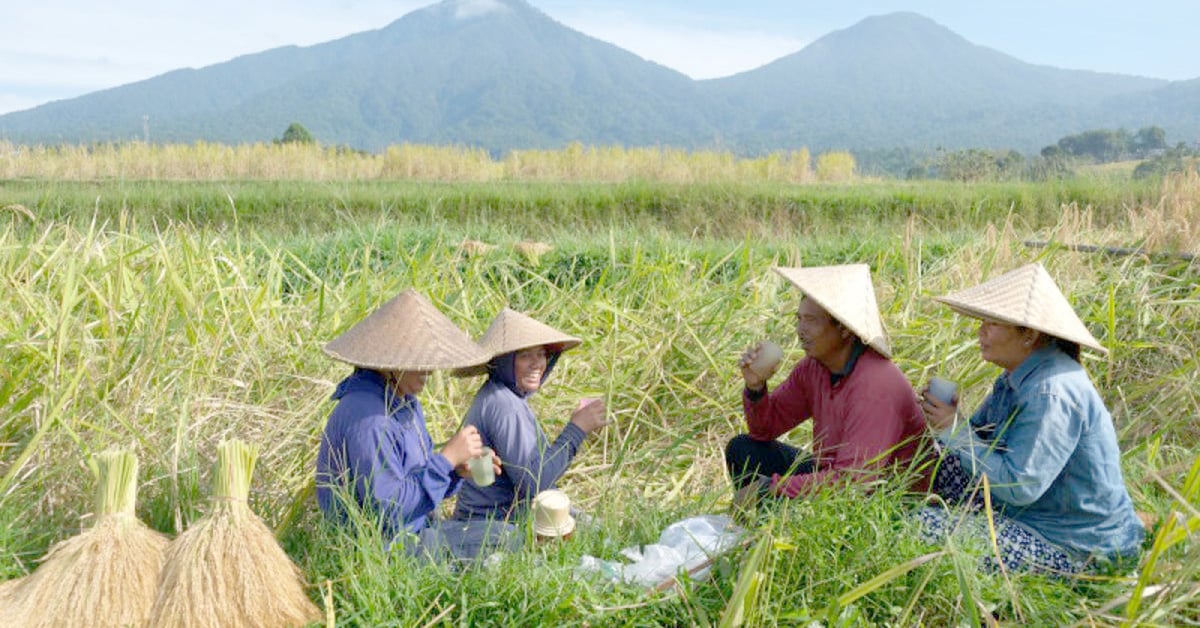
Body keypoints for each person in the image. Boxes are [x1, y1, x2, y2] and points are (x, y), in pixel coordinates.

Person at [917, 262, 1144, 574]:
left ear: (1029, 335)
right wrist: (950, 420)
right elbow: (984, 440)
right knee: (934, 461)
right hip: (1033, 513)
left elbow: (1020, 486)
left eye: (991, 323)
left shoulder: (1051, 392)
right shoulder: (1019, 376)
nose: (980, 330)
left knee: (919, 527)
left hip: (1074, 547)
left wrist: (954, 430)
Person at [315, 289, 500, 559]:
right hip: (385, 551)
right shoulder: (370, 420)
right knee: (502, 541)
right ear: (392, 363)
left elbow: (416, 487)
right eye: (419, 361)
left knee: (503, 534)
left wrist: (456, 472)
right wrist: (446, 459)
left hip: (415, 531)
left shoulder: (405, 402)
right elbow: (388, 510)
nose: (429, 370)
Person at [727, 264, 929, 510]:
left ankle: (774, 526)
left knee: (770, 490)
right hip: (834, 472)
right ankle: (763, 526)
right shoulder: (813, 368)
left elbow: (854, 483)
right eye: (799, 319)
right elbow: (764, 430)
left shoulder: (875, 384)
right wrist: (755, 387)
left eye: (811, 321)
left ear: (844, 329)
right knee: (743, 450)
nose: (800, 330)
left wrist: (771, 488)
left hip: (883, 497)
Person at [452, 308, 608, 524]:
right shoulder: (504, 405)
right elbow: (536, 483)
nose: (537, 364)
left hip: (509, 515)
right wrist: (577, 429)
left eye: (541, 354)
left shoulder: (506, 396)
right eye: (525, 356)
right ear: (505, 362)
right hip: (490, 524)